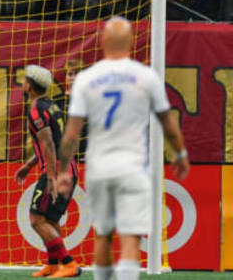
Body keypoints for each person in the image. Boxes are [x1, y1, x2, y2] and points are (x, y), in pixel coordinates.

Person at [58, 17, 189, 280]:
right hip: (133, 165)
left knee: (103, 235)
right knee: (129, 237)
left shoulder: (86, 79)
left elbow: (72, 133)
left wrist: (62, 171)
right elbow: (167, 122)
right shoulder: (146, 76)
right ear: (131, 41)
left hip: (99, 166)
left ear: (103, 41)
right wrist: (181, 154)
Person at [14, 65, 81, 278]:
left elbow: (50, 144)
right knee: (50, 220)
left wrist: (51, 177)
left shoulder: (36, 110)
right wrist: (28, 165)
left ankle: (69, 264)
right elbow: (51, 140)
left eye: (24, 80)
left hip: (57, 171)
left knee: (36, 219)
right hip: (68, 168)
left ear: (30, 86)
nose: (22, 83)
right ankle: (54, 265)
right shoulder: (50, 105)